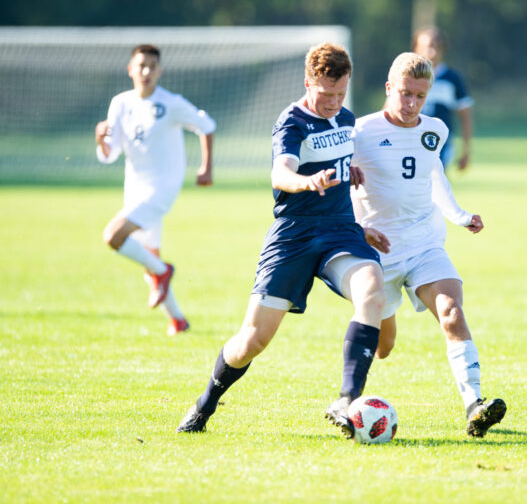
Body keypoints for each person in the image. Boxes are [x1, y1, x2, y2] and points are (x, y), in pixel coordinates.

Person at [176, 43, 386, 437]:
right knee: (253, 341)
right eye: (326, 93)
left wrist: (350, 171)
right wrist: (306, 181)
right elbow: (281, 173)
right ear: (308, 82)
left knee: (372, 290)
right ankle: (205, 403)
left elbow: (341, 160)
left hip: (340, 230)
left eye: (341, 93)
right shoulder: (291, 121)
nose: (334, 102)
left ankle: (347, 399)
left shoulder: (345, 118)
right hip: (293, 235)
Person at [350, 52, 506, 437]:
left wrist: (460, 215)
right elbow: (337, 185)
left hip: (424, 243)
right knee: (384, 346)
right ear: (389, 88)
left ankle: (475, 406)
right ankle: (351, 399)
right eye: (405, 94)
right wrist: (356, 227)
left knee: (452, 312)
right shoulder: (360, 132)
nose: (411, 104)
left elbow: (434, 175)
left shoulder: (435, 129)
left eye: (420, 97)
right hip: (378, 252)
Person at [95, 44, 216, 336]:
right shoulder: (120, 103)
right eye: (141, 65)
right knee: (147, 256)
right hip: (134, 187)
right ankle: (178, 320)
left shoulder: (170, 103)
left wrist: (206, 167)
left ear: (159, 71)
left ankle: (164, 271)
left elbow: (207, 126)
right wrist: (100, 140)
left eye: (152, 66)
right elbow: (110, 154)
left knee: (113, 236)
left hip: (162, 188)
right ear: (130, 70)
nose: (146, 71)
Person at [412, 26, 474, 171]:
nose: (432, 52)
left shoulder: (452, 78)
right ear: (416, 49)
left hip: (439, 144)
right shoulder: (407, 77)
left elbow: (465, 116)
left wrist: (466, 150)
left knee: (436, 181)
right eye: (427, 47)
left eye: (436, 47)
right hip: (410, 140)